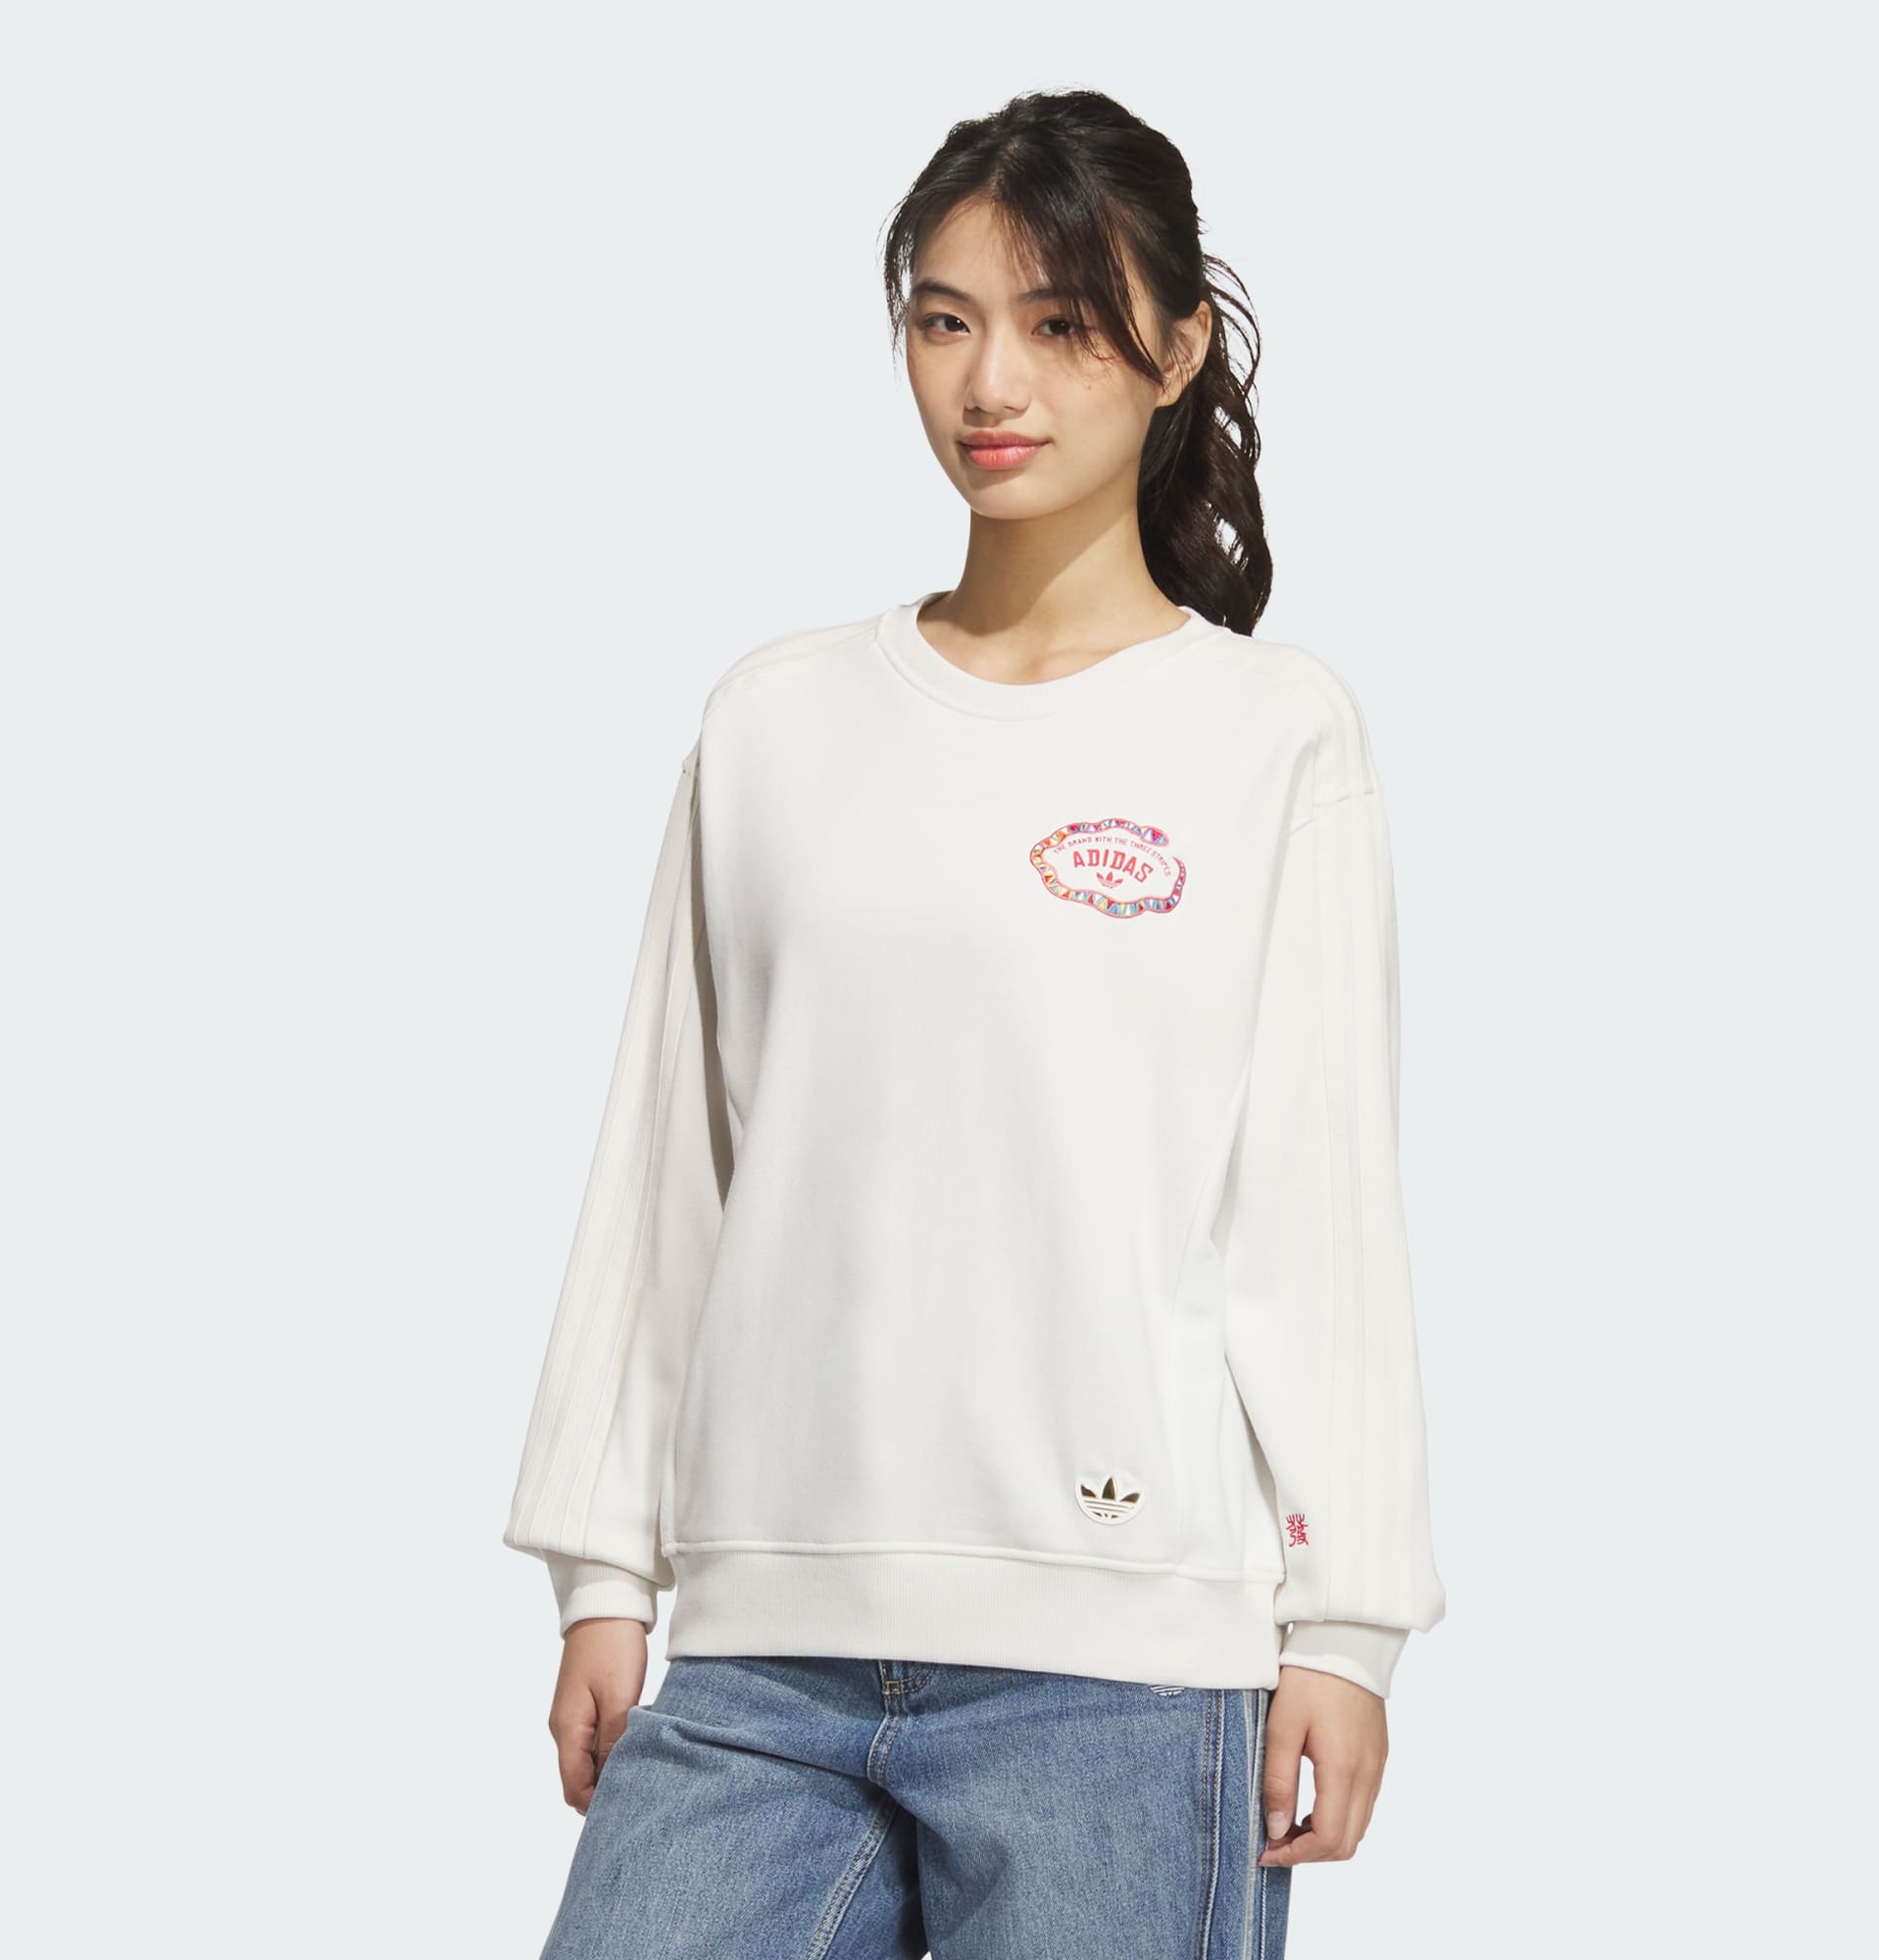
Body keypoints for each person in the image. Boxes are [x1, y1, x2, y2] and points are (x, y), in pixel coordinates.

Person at [502, 85, 1446, 1960]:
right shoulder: (775, 722)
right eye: (945, 320)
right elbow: (671, 1164)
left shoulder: (1271, 738)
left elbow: (1318, 1208)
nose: (990, 381)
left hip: (1127, 1677)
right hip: (762, 1653)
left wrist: (1346, 1628)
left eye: (1060, 321)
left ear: (1179, 347)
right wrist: (606, 1566)